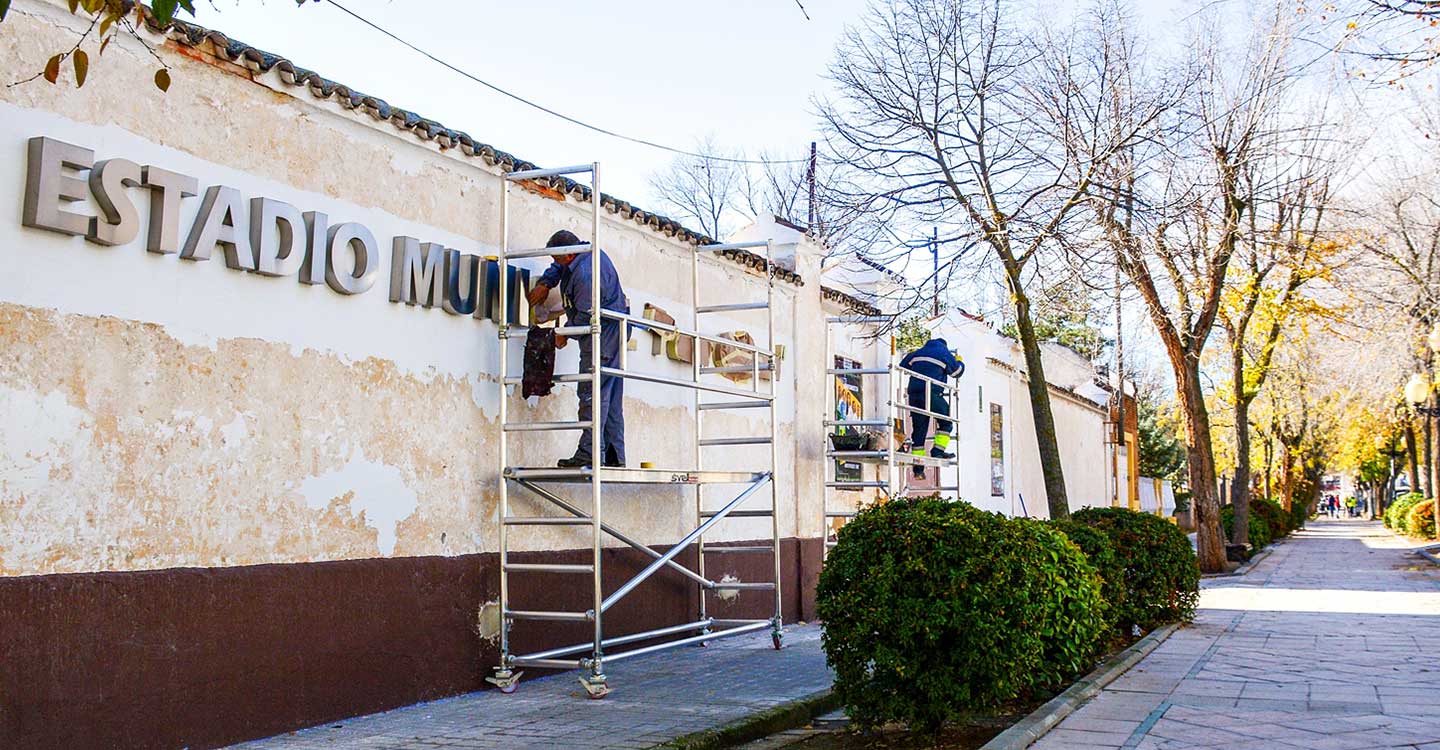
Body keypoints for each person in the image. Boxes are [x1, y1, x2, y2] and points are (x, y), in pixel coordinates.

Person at [525, 230, 630, 468]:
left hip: (603, 335)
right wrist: (546, 282)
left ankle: (590, 454)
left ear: (569, 254)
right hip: (610, 332)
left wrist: (564, 333)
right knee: (609, 399)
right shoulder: (582, 255)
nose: (554, 263)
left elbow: (585, 316)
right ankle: (613, 458)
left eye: (557, 258)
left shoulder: (586, 274)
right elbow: (561, 268)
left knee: (592, 393)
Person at [899, 337, 965, 479]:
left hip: (914, 394)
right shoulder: (944, 353)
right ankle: (937, 451)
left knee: (919, 430)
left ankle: (918, 468)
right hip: (932, 393)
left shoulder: (917, 353)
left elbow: (903, 366)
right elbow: (957, 372)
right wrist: (959, 360)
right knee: (946, 421)